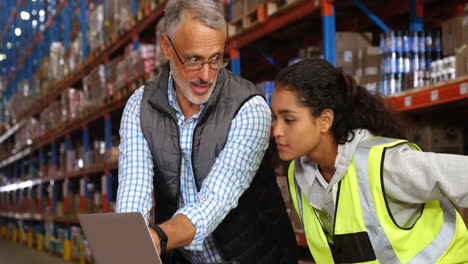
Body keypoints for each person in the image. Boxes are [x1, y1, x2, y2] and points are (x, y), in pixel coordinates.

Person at [116, 0, 298, 263]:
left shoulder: (248, 107)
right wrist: (129, 242)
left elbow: (215, 202)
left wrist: (158, 237)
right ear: (167, 47)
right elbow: (134, 189)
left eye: (216, 59)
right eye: (193, 60)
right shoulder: (141, 107)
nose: (206, 75)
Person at [270, 58, 468, 263]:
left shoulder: (383, 164)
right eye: (274, 118)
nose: (277, 131)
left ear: (325, 120)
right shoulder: (299, 174)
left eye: (289, 120)